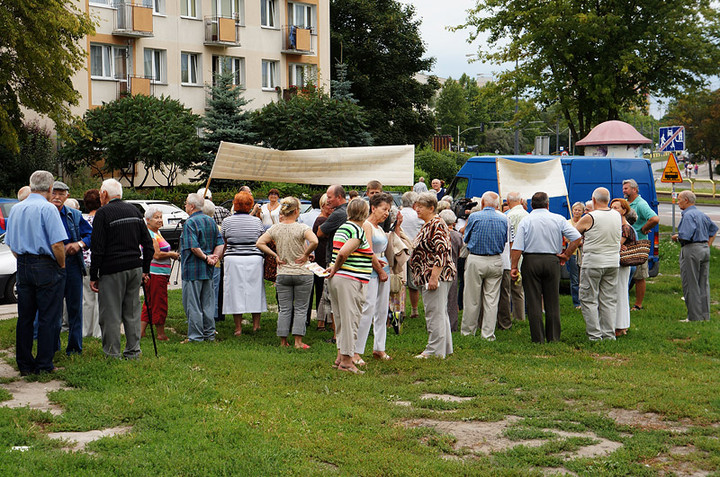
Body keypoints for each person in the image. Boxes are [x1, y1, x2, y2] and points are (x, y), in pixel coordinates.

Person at [6, 171, 67, 375]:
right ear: (50, 189)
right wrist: (61, 264)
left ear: (31, 186)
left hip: (22, 263)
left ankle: (24, 364)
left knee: (25, 316)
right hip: (45, 264)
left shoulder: (16, 209)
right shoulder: (48, 209)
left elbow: (11, 243)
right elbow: (57, 244)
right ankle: (43, 364)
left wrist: (23, 259)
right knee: (48, 316)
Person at [90, 179, 154, 359]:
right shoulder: (134, 210)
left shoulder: (103, 213)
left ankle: (112, 353)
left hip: (112, 269)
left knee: (110, 313)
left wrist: (94, 274)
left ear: (104, 195)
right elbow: (148, 244)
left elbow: (98, 247)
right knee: (132, 311)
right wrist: (145, 269)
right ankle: (133, 351)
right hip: (135, 268)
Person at [510, 192, 582, 343]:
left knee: (533, 300)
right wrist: (567, 255)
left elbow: (517, 247)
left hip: (531, 260)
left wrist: (514, 266)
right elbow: (576, 237)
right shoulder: (558, 219)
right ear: (548, 204)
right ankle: (554, 337)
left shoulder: (526, 220)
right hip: (552, 259)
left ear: (531, 205)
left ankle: (538, 338)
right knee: (552, 300)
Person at [257, 197, 318, 349]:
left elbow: (259, 243)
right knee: (301, 308)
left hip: (283, 272)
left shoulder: (275, 228)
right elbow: (315, 241)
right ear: (297, 211)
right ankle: (298, 341)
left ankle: (283, 341)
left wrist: (275, 255)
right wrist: (305, 254)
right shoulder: (302, 228)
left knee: (284, 309)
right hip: (302, 273)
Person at [326, 198, 374, 374]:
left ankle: (340, 357)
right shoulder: (357, 230)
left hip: (339, 279)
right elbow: (344, 252)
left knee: (340, 319)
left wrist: (334, 268)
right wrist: (337, 267)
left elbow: (340, 252)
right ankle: (347, 361)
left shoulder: (343, 227)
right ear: (365, 212)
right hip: (350, 280)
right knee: (350, 320)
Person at [410, 193, 456, 358]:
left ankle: (433, 351)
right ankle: (444, 348)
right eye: (416, 206)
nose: (417, 209)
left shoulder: (436, 224)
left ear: (431, 208)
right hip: (430, 275)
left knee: (434, 313)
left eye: (420, 207)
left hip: (435, 275)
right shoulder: (429, 224)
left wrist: (434, 277)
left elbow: (442, 251)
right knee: (439, 312)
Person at [50, 181, 92, 355]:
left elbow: (90, 234)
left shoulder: (74, 215)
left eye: (61, 194)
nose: (57, 197)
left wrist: (79, 244)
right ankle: (52, 346)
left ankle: (74, 347)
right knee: (52, 308)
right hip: (51, 265)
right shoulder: (45, 213)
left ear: (67, 196)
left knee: (75, 307)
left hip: (73, 264)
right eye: (54, 193)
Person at [574, 188, 622, 341]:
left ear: (593, 200)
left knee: (588, 298)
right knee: (608, 299)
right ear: (608, 200)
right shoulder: (616, 215)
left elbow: (574, 235)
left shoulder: (590, 217)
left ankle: (594, 335)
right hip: (613, 262)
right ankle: (609, 334)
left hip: (593, 262)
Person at [354, 193, 396, 363]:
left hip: (383, 267)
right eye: (384, 209)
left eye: (388, 210)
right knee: (368, 308)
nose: (386, 213)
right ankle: (356, 350)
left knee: (381, 310)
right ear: (373, 208)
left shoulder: (379, 228)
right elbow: (368, 251)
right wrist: (380, 271)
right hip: (371, 270)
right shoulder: (367, 225)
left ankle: (379, 347)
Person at [461, 192, 508, 341]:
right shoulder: (504, 219)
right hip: (495, 260)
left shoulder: (474, 217)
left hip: (476, 259)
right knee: (492, 300)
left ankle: (468, 332)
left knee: (471, 298)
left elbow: (466, 238)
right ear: (497, 205)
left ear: (482, 203)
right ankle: (488, 334)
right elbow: (504, 239)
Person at [180, 193, 224, 343]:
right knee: (208, 304)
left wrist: (206, 257)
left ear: (191, 206)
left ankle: (196, 336)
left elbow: (193, 247)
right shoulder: (210, 221)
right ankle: (209, 334)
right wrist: (215, 257)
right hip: (209, 269)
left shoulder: (190, 223)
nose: (185, 206)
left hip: (192, 269)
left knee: (193, 305)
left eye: (186, 204)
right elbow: (220, 243)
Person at [221, 191, 267, 335]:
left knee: (235, 292)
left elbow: (224, 241)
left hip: (233, 259)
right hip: (254, 258)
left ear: (235, 205)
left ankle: (238, 328)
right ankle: (256, 325)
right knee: (255, 290)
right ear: (250, 205)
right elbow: (261, 240)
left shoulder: (227, 221)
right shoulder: (257, 221)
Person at [672, 191, 718, 322]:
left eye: (679, 199)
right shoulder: (701, 214)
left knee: (690, 283)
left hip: (691, 249)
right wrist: (708, 245)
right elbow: (713, 230)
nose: (677, 201)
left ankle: (693, 317)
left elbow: (685, 235)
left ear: (686, 200)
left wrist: (676, 237)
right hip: (704, 248)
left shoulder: (687, 215)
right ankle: (705, 316)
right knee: (703, 283)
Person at [140, 206, 179, 341]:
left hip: (157, 273)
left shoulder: (157, 232)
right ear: (148, 220)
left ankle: (141, 332)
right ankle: (161, 334)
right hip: (156, 273)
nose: (160, 220)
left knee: (149, 302)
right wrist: (171, 254)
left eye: (160, 217)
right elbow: (156, 254)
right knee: (159, 303)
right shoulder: (150, 234)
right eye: (156, 217)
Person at [622, 179, 659, 311]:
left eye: (626, 188)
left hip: (638, 243)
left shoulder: (641, 204)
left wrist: (644, 228)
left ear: (634, 190)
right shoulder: (626, 203)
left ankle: (638, 305)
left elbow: (654, 218)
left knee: (639, 276)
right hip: (626, 243)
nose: (624, 190)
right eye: (623, 188)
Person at [610, 198, 636, 336]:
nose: (613, 210)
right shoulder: (618, 227)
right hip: (617, 263)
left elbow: (615, 245)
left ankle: (620, 326)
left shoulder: (625, 228)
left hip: (622, 264)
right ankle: (621, 325)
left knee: (619, 293)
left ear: (624, 210)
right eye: (611, 207)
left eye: (616, 208)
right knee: (617, 293)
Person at [505, 192, 528, 321]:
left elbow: (509, 239)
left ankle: (507, 316)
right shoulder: (527, 215)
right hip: (526, 255)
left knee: (508, 289)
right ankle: (520, 318)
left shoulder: (508, 216)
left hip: (511, 255)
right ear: (520, 200)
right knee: (520, 291)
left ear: (508, 201)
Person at [82, 189, 102, 339]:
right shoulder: (102, 219)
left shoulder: (82, 220)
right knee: (100, 299)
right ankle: (98, 332)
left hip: (84, 263)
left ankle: (85, 331)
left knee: (87, 300)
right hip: (98, 262)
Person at [399, 191, 422, 318]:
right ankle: (414, 310)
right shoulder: (417, 215)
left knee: (401, 281)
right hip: (414, 250)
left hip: (400, 250)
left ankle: (401, 309)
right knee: (413, 283)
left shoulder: (398, 214)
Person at [311, 194, 333, 331]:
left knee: (323, 289)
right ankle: (323, 321)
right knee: (323, 290)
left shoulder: (324, 219)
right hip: (322, 257)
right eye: (329, 205)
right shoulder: (322, 220)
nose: (331, 208)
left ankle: (324, 320)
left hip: (322, 256)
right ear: (323, 206)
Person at [440, 209, 463, 332]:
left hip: (439, 266)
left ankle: (439, 324)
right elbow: (460, 252)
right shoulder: (457, 235)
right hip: (453, 266)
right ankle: (452, 325)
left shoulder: (439, 234)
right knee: (452, 298)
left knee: (439, 297)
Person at [566, 202, 585, 309]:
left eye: (579, 210)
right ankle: (576, 302)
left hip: (583, 252)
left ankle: (584, 300)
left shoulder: (584, 222)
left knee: (583, 278)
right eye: (575, 210)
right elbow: (566, 238)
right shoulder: (568, 223)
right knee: (574, 279)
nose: (577, 212)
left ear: (582, 211)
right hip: (573, 253)